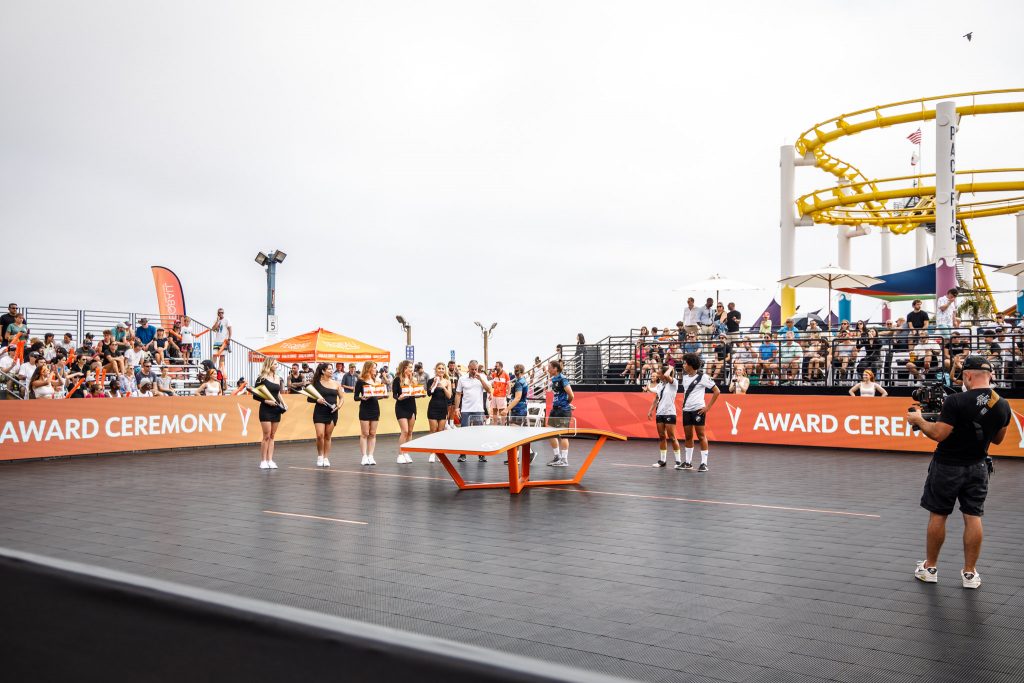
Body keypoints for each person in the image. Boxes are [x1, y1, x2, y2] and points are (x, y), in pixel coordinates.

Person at [907, 356, 1010, 589]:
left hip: (947, 466)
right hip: (978, 466)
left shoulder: (955, 400)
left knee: (938, 515)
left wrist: (918, 420)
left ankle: (930, 568)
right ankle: (970, 574)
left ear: (968, 375)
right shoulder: (1002, 404)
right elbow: (998, 440)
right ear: (990, 375)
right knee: (973, 516)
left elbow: (938, 434)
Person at [678, 353, 719, 472]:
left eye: (685, 363)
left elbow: (717, 391)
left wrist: (707, 407)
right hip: (686, 410)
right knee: (688, 436)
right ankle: (688, 463)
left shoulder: (703, 377)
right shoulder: (684, 377)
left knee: (701, 436)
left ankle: (704, 464)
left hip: (698, 410)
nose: (684, 365)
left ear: (691, 365)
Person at [454, 360, 492, 462]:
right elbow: (458, 394)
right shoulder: (462, 379)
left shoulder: (482, 377)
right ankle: (462, 454)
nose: (474, 371)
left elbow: (489, 390)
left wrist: (481, 379)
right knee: (464, 433)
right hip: (466, 409)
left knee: (479, 433)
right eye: (472, 369)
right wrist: (457, 408)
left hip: (478, 409)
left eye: (476, 369)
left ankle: (481, 454)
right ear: (468, 368)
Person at [308, 362, 342, 467]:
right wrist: (317, 400)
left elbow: (342, 398)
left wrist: (339, 406)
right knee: (320, 435)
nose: (331, 371)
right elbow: (309, 398)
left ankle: (326, 458)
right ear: (323, 371)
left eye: (332, 369)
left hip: (332, 412)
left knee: (328, 436)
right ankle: (320, 456)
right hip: (320, 412)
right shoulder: (316, 383)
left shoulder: (336, 383)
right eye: (329, 369)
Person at [253, 357, 284, 470]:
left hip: (276, 408)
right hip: (266, 409)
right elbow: (255, 395)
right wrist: (266, 401)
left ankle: (270, 459)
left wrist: (284, 404)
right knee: (266, 435)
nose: (277, 366)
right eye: (275, 364)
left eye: (277, 364)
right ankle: (263, 461)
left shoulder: (278, 377)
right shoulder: (261, 378)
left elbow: (278, 394)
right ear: (269, 364)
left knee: (272, 435)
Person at [647, 365, 681, 468]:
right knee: (662, 437)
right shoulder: (660, 385)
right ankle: (662, 461)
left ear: (664, 374)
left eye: (659, 373)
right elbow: (656, 398)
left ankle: (678, 462)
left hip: (670, 413)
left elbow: (667, 375)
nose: (657, 375)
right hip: (660, 413)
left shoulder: (673, 383)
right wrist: (650, 410)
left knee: (672, 437)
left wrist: (671, 368)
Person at [354, 361, 385, 466]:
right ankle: (364, 456)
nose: (375, 370)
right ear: (368, 368)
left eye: (376, 368)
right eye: (374, 368)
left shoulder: (376, 380)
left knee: (372, 433)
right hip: (365, 408)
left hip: (375, 408)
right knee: (365, 433)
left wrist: (383, 395)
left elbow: (377, 395)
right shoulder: (360, 381)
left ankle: (371, 455)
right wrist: (361, 397)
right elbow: (355, 397)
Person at [545, 359, 575, 467]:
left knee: (563, 435)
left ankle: (564, 460)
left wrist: (566, 404)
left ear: (555, 369)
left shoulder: (563, 379)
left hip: (563, 410)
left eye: (549, 367)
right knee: (550, 432)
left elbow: (571, 395)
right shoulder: (553, 379)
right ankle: (557, 457)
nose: (548, 369)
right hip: (555, 409)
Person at [392, 359, 419, 464]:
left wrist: (420, 394)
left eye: (412, 367)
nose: (411, 369)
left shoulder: (414, 380)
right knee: (405, 431)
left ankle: (407, 452)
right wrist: (400, 397)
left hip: (412, 406)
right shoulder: (397, 380)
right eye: (410, 367)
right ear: (404, 368)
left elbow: (417, 392)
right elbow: (394, 395)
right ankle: (400, 454)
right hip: (401, 406)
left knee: (410, 431)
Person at [426, 363, 453, 463]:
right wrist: (434, 384)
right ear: (436, 370)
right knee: (433, 431)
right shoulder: (431, 380)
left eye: (442, 368)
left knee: (440, 432)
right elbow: (429, 393)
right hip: (433, 407)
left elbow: (449, 396)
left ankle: (440, 453)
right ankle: (432, 453)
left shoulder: (447, 381)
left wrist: (443, 387)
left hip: (443, 408)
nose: (441, 370)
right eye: (439, 368)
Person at [210, 308, 232, 377]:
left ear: (223, 313)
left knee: (222, 356)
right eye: (219, 313)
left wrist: (229, 338)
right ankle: (212, 369)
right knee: (214, 355)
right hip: (217, 341)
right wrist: (217, 321)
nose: (220, 314)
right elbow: (213, 329)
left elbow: (230, 329)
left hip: (223, 341)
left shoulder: (226, 320)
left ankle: (219, 370)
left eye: (222, 312)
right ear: (217, 313)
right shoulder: (217, 321)